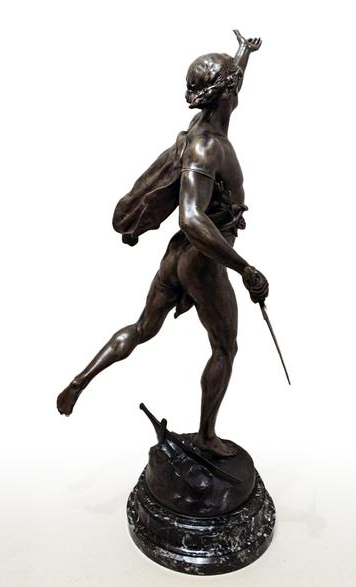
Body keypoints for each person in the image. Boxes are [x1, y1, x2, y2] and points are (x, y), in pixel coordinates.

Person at [57, 31, 269, 457]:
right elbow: (191, 217)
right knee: (225, 348)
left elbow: (231, 81)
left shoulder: (204, 124)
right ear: (227, 93)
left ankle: (80, 381)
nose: (238, 88)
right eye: (234, 83)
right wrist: (245, 268)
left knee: (142, 329)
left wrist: (244, 52)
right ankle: (206, 437)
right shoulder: (206, 148)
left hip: (175, 257)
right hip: (201, 262)